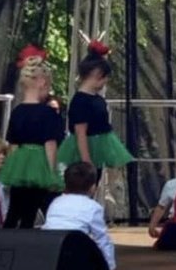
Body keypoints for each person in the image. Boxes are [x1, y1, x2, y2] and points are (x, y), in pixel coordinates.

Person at [0, 45, 64, 228]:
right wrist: (52, 172)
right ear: (42, 82)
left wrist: (11, 168)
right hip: (39, 164)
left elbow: (13, 145)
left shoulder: (17, 111)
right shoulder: (48, 113)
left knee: (14, 209)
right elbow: (50, 144)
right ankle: (24, 239)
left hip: (19, 164)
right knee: (31, 210)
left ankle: (6, 237)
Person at [57, 41, 134, 174]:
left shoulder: (98, 99)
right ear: (96, 75)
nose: (106, 81)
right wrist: (86, 161)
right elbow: (80, 132)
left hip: (98, 148)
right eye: (104, 77)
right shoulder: (81, 101)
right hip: (86, 150)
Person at [44, 162, 116, 270]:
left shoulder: (56, 202)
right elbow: (102, 239)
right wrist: (109, 266)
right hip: (77, 252)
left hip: (52, 251)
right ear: (93, 187)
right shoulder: (93, 207)